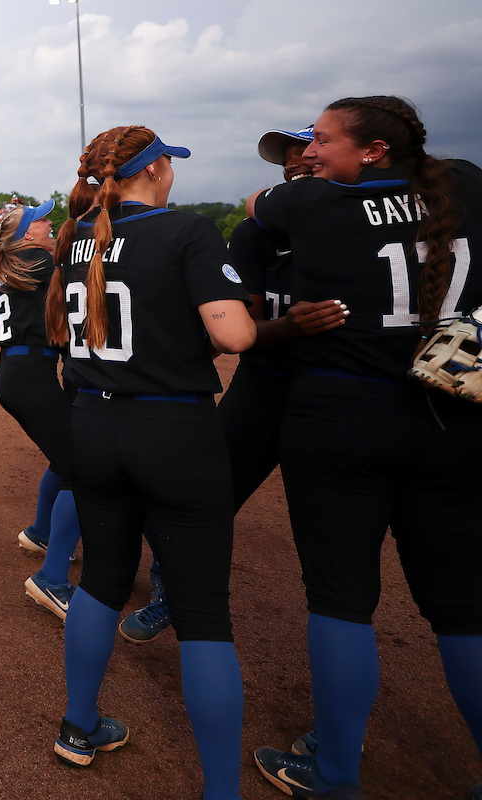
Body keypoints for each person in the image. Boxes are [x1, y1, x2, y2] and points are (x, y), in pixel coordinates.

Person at [245, 96, 482, 800]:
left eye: (322, 139)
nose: (311, 152)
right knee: (466, 609)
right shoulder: (465, 183)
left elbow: (260, 201)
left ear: (372, 150)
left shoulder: (309, 204)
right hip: (455, 414)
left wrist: (318, 180)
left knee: (342, 601)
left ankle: (335, 773)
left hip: (341, 417)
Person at [44, 126, 255, 800]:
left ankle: (78, 726)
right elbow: (235, 333)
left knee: (103, 579)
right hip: (172, 425)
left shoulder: (77, 234)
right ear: (157, 168)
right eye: (169, 165)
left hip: (94, 422)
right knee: (203, 613)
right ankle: (221, 790)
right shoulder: (185, 230)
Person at [116, 124, 347, 644]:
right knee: (204, 499)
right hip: (263, 385)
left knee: (334, 529)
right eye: (288, 158)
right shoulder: (254, 234)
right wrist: (288, 327)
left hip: (334, 390)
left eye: (307, 152)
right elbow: (238, 330)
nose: (297, 163)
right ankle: (168, 594)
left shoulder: (355, 227)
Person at [0, 200, 80, 622]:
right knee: (83, 469)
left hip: (19, 371)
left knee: (65, 454)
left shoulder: (20, 259)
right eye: (41, 220)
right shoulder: (36, 258)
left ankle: (40, 533)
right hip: (29, 375)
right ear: (25, 235)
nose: (49, 223)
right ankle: (51, 579)